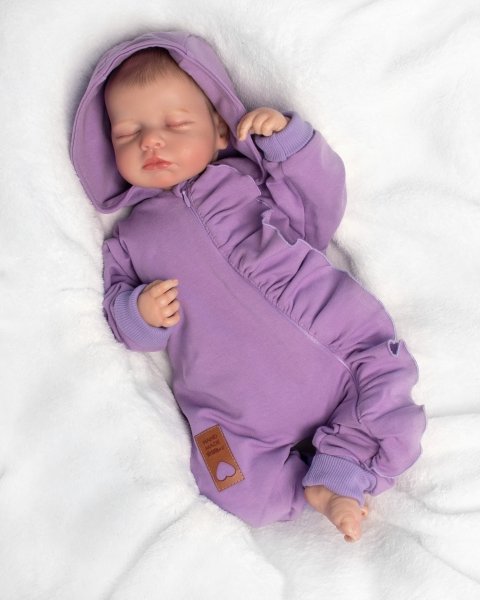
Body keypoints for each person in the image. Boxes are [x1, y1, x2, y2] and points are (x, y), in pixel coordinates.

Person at [70, 31, 426, 542]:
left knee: (392, 406)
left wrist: (285, 145)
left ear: (219, 129)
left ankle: (339, 474)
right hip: (234, 405)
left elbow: (318, 206)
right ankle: (309, 486)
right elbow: (117, 313)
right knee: (229, 482)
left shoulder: (247, 180)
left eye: (175, 124)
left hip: (335, 348)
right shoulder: (128, 240)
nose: (151, 141)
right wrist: (139, 313)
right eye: (128, 133)